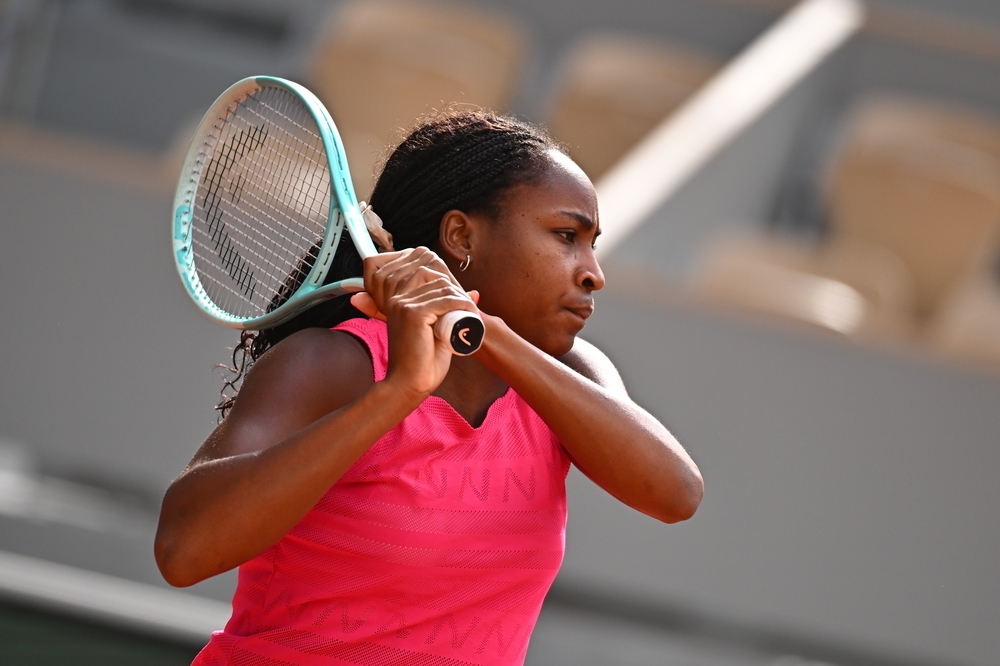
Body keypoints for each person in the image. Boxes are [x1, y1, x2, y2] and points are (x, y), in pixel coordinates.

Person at [155, 110, 703, 666]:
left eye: (591, 244)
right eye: (566, 236)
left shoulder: (569, 375)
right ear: (462, 235)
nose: (592, 273)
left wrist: (486, 335)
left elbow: (675, 494)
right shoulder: (331, 363)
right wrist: (397, 394)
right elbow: (183, 551)